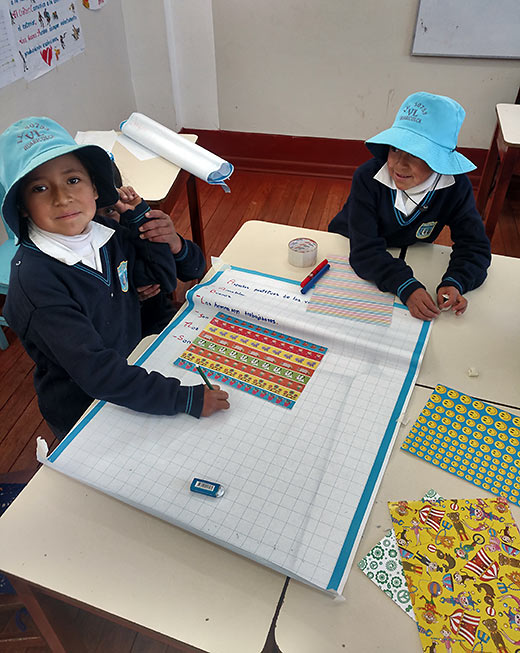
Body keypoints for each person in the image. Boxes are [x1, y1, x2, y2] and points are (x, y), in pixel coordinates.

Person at [0, 116, 229, 439]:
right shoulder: (37, 283)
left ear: (95, 188)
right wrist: (183, 397)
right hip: (84, 407)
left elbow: (161, 280)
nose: (62, 197)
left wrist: (140, 221)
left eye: (73, 180)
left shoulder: (105, 232)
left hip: (135, 370)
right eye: (39, 188)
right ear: (22, 207)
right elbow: (96, 372)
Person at [328, 91, 491, 321]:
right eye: (395, 149)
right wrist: (406, 285)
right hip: (348, 246)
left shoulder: (455, 186)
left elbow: (474, 246)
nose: (399, 164)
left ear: (440, 161)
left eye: (416, 154)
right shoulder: (367, 177)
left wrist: (457, 281)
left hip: (410, 251)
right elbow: (363, 250)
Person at [98, 161, 188, 336]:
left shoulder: (133, 229)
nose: (102, 223)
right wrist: (128, 298)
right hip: (117, 333)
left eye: (110, 211)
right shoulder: (83, 245)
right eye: (93, 213)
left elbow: (191, 269)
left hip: (154, 321)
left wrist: (174, 242)